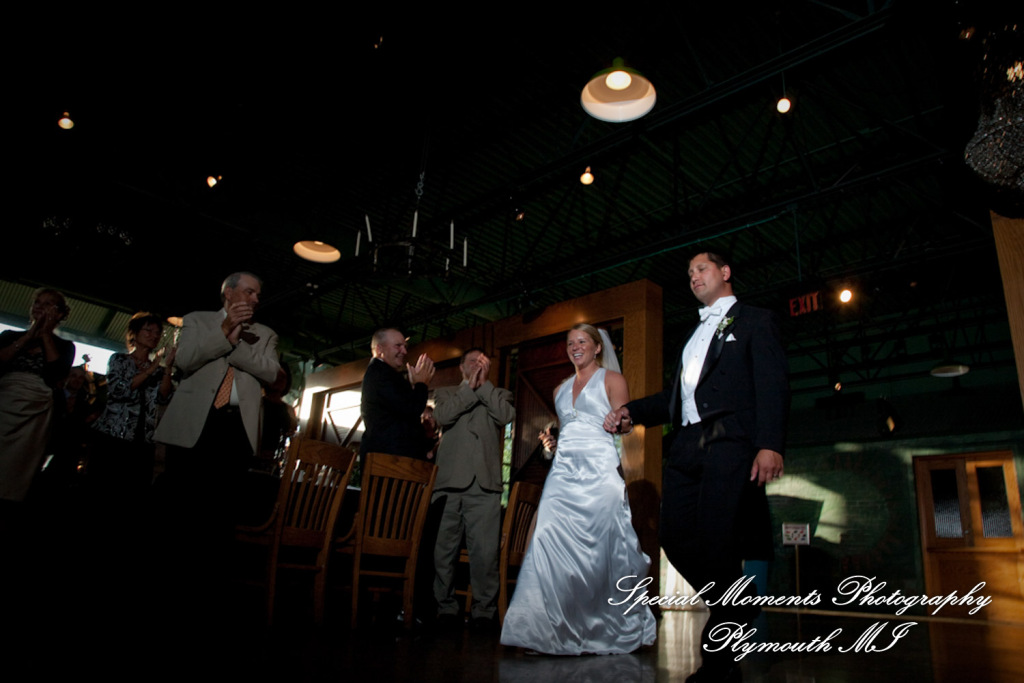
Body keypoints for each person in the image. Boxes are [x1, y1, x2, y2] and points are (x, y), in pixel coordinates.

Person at [604, 250, 788, 682]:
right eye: (688, 274)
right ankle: (736, 602)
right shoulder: (692, 335)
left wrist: (770, 445)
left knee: (718, 538)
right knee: (674, 536)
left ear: (725, 272)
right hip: (686, 447)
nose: (693, 278)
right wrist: (633, 411)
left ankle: (719, 662)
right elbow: (676, 398)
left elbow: (773, 383)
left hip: (730, 443)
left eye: (701, 269)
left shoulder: (756, 321)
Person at [501, 324, 656, 655]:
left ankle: (603, 626)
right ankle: (542, 630)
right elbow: (569, 430)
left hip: (600, 474)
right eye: (571, 343)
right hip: (562, 476)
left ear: (597, 347)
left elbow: (626, 423)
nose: (576, 347)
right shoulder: (560, 389)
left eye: (582, 341)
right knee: (546, 540)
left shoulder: (613, 381)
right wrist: (554, 446)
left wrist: (621, 422)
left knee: (600, 549)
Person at [431, 348, 515, 630]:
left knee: (485, 553)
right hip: (448, 483)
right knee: (444, 550)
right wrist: (470, 388)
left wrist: (484, 387)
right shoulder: (445, 393)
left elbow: (505, 417)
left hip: (485, 485)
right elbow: (442, 417)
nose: (477, 365)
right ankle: (445, 607)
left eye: (482, 362)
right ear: (460, 367)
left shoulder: (499, 394)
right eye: (472, 361)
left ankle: (484, 611)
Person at [0, 288, 76, 505]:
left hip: (37, 410)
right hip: (4, 400)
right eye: (37, 302)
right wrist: (27, 337)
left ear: (59, 314)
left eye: (47, 304)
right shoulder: (9, 336)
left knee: (19, 467)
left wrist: (44, 334)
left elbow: (57, 376)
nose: (40, 307)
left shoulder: (65, 346)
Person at [90, 312, 176, 494]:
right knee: (102, 484)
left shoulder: (159, 371)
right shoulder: (119, 360)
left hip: (142, 439)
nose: (154, 335)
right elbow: (119, 390)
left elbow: (163, 397)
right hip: (113, 434)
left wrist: (167, 367)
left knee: (133, 489)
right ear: (134, 334)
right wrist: (150, 369)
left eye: (158, 332)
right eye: (149, 330)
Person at [359, 328, 435, 460]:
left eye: (405, 346)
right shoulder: (380, 375)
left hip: (392, 458)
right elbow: (411, 409)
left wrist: (414, 386)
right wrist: (421, 384)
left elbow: (400, 412)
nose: (404, 351)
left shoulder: (386, 374)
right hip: (388, 461)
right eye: (398, 346)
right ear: (379, 349)